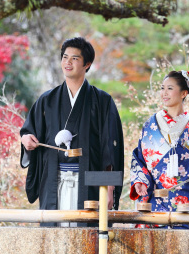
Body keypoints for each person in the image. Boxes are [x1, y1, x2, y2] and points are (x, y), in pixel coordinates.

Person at [20, 37, 124, 223]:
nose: (68, 62)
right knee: (54, 237)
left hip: (90, 181)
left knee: (88, 237)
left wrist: (109, 189)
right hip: (53, 177)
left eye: (75, 58)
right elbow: (28, 132)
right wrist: (26, 140)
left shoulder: (102, 101)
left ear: (87, 64)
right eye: (65, 57)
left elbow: (110, 148)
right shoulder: (47, 101)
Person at [129, 70, 189, 228]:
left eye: (170, 88)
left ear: (184, 93)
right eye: (162, 88)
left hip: (188, 202)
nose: (164, 93)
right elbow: (139, 159)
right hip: (156, 201)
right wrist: (140, 181)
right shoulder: (151, 125)